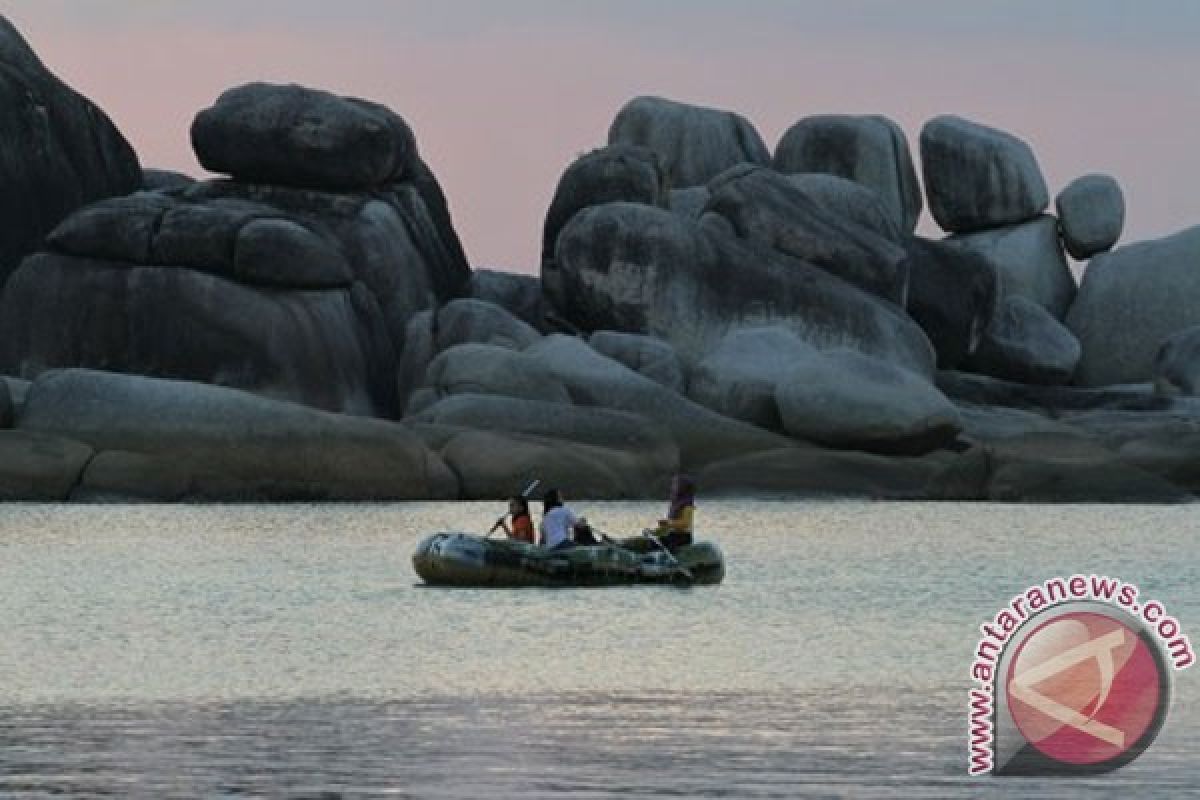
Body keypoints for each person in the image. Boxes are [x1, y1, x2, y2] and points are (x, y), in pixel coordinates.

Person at [649, 474, 695, 551]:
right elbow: (667, 527)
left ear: (683, 487)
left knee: (670, 544)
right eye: (673, 484)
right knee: (653, 543)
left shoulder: (688, 505)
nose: (673, 487)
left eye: (675, 485)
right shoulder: (675, 504)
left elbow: (685, 523)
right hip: (673, 535)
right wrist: (654, 533)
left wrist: (669, 523)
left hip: (684, 537)